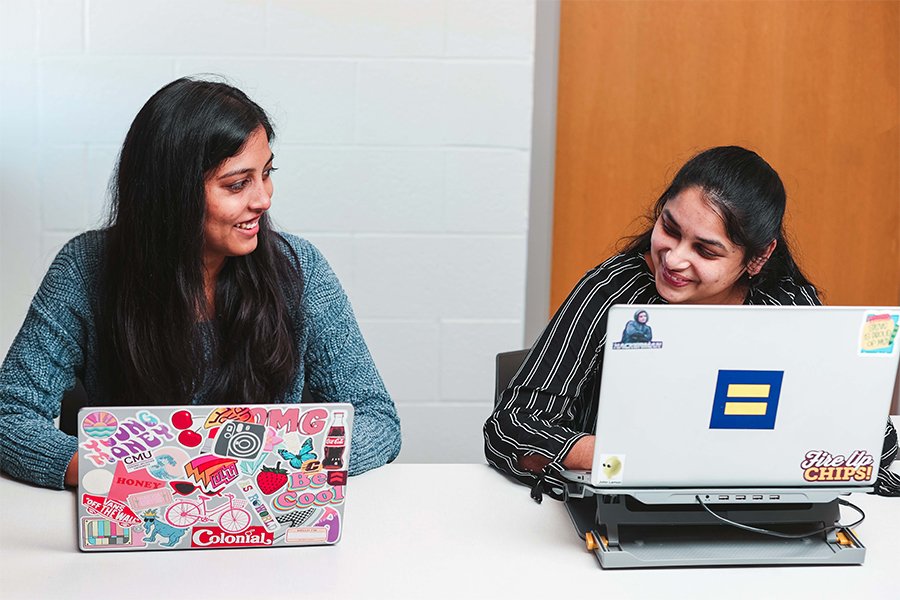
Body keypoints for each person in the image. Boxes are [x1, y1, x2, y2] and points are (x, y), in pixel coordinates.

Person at [0, 77, 401, 490]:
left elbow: (377, 419)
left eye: (266, 173)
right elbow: (8, 414)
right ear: (171, 194)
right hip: (134, 521)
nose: (263, 199)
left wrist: (282, 470)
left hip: (266, 525)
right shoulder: (85, 268)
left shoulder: (300, 269)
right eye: (237, 184)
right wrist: (106, 475)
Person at [484, 146, 899, 500]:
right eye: (669, 228)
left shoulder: (786, 307)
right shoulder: (615, 291)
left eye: (705, 250)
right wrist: (623, 457)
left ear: (756, 258)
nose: (674, 258)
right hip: (625, 509)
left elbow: (868, 437)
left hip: (754, 513)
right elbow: (512, 424)